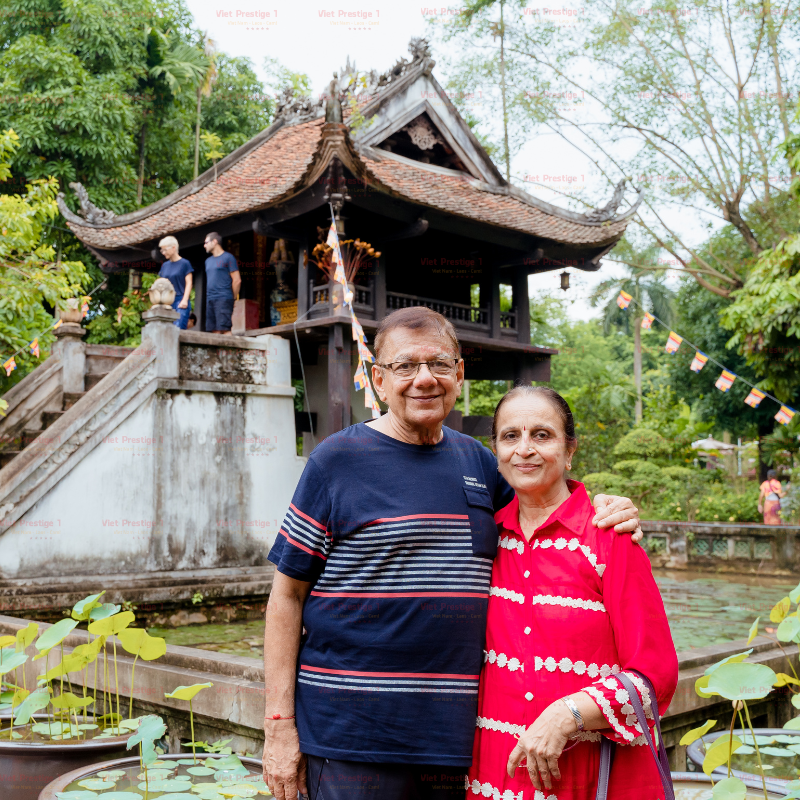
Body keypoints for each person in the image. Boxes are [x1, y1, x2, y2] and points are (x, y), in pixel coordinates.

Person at [263, 307, 644, 800]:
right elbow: (287, 597)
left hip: (457, 742)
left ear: (459, 374)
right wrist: (279, 725)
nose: (424, 379)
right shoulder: (336, 462)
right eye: (405, 366)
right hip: (352, 737)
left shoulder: (480, 463)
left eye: (439, 364)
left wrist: (605, 510)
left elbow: (542, 517)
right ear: (379, 380)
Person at [468, 386, 678, 800]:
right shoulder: (486, 539)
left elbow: (656, 675)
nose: (524, 449)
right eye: (510, 436)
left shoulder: (610, 538)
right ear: (496, 452)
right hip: (496, 772)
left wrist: (567, 714)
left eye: (542, 435)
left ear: (569, 450)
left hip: (590, 775)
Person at [203, 231, 241, 334]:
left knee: (225, 329)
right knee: (214, 330)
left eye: (206, 242)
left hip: (224, 298)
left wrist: (232, 298)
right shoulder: (207, 261)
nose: (204, 245)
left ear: (215, 242)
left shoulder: (228, 257)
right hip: (210, 299)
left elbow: (237, 280)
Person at [158, 236, 193, 329]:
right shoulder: (165, 266)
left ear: (173, 247)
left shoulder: (185, 264)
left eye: (165, 250)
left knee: (178, 328)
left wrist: (185, 300)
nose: (163, 253)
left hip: (180, 299)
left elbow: (189, 283)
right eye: (162, 250)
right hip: (166, 301)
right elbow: (161, 283)